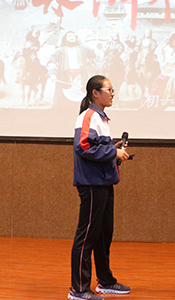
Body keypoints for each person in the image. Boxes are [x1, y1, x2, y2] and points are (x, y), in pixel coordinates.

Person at [69, 75, 131, 300]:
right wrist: (113, 151)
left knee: (103, 234)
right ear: (95, 93)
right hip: (92, 184)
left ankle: (105, 281)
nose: (113, 93)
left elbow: (95, 147)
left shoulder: (101, 118)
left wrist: (113, 148)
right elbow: (83, 146)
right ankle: (78, 290)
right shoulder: (88, 116)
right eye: (109, 90)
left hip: (103, 183)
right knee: (87, 236)